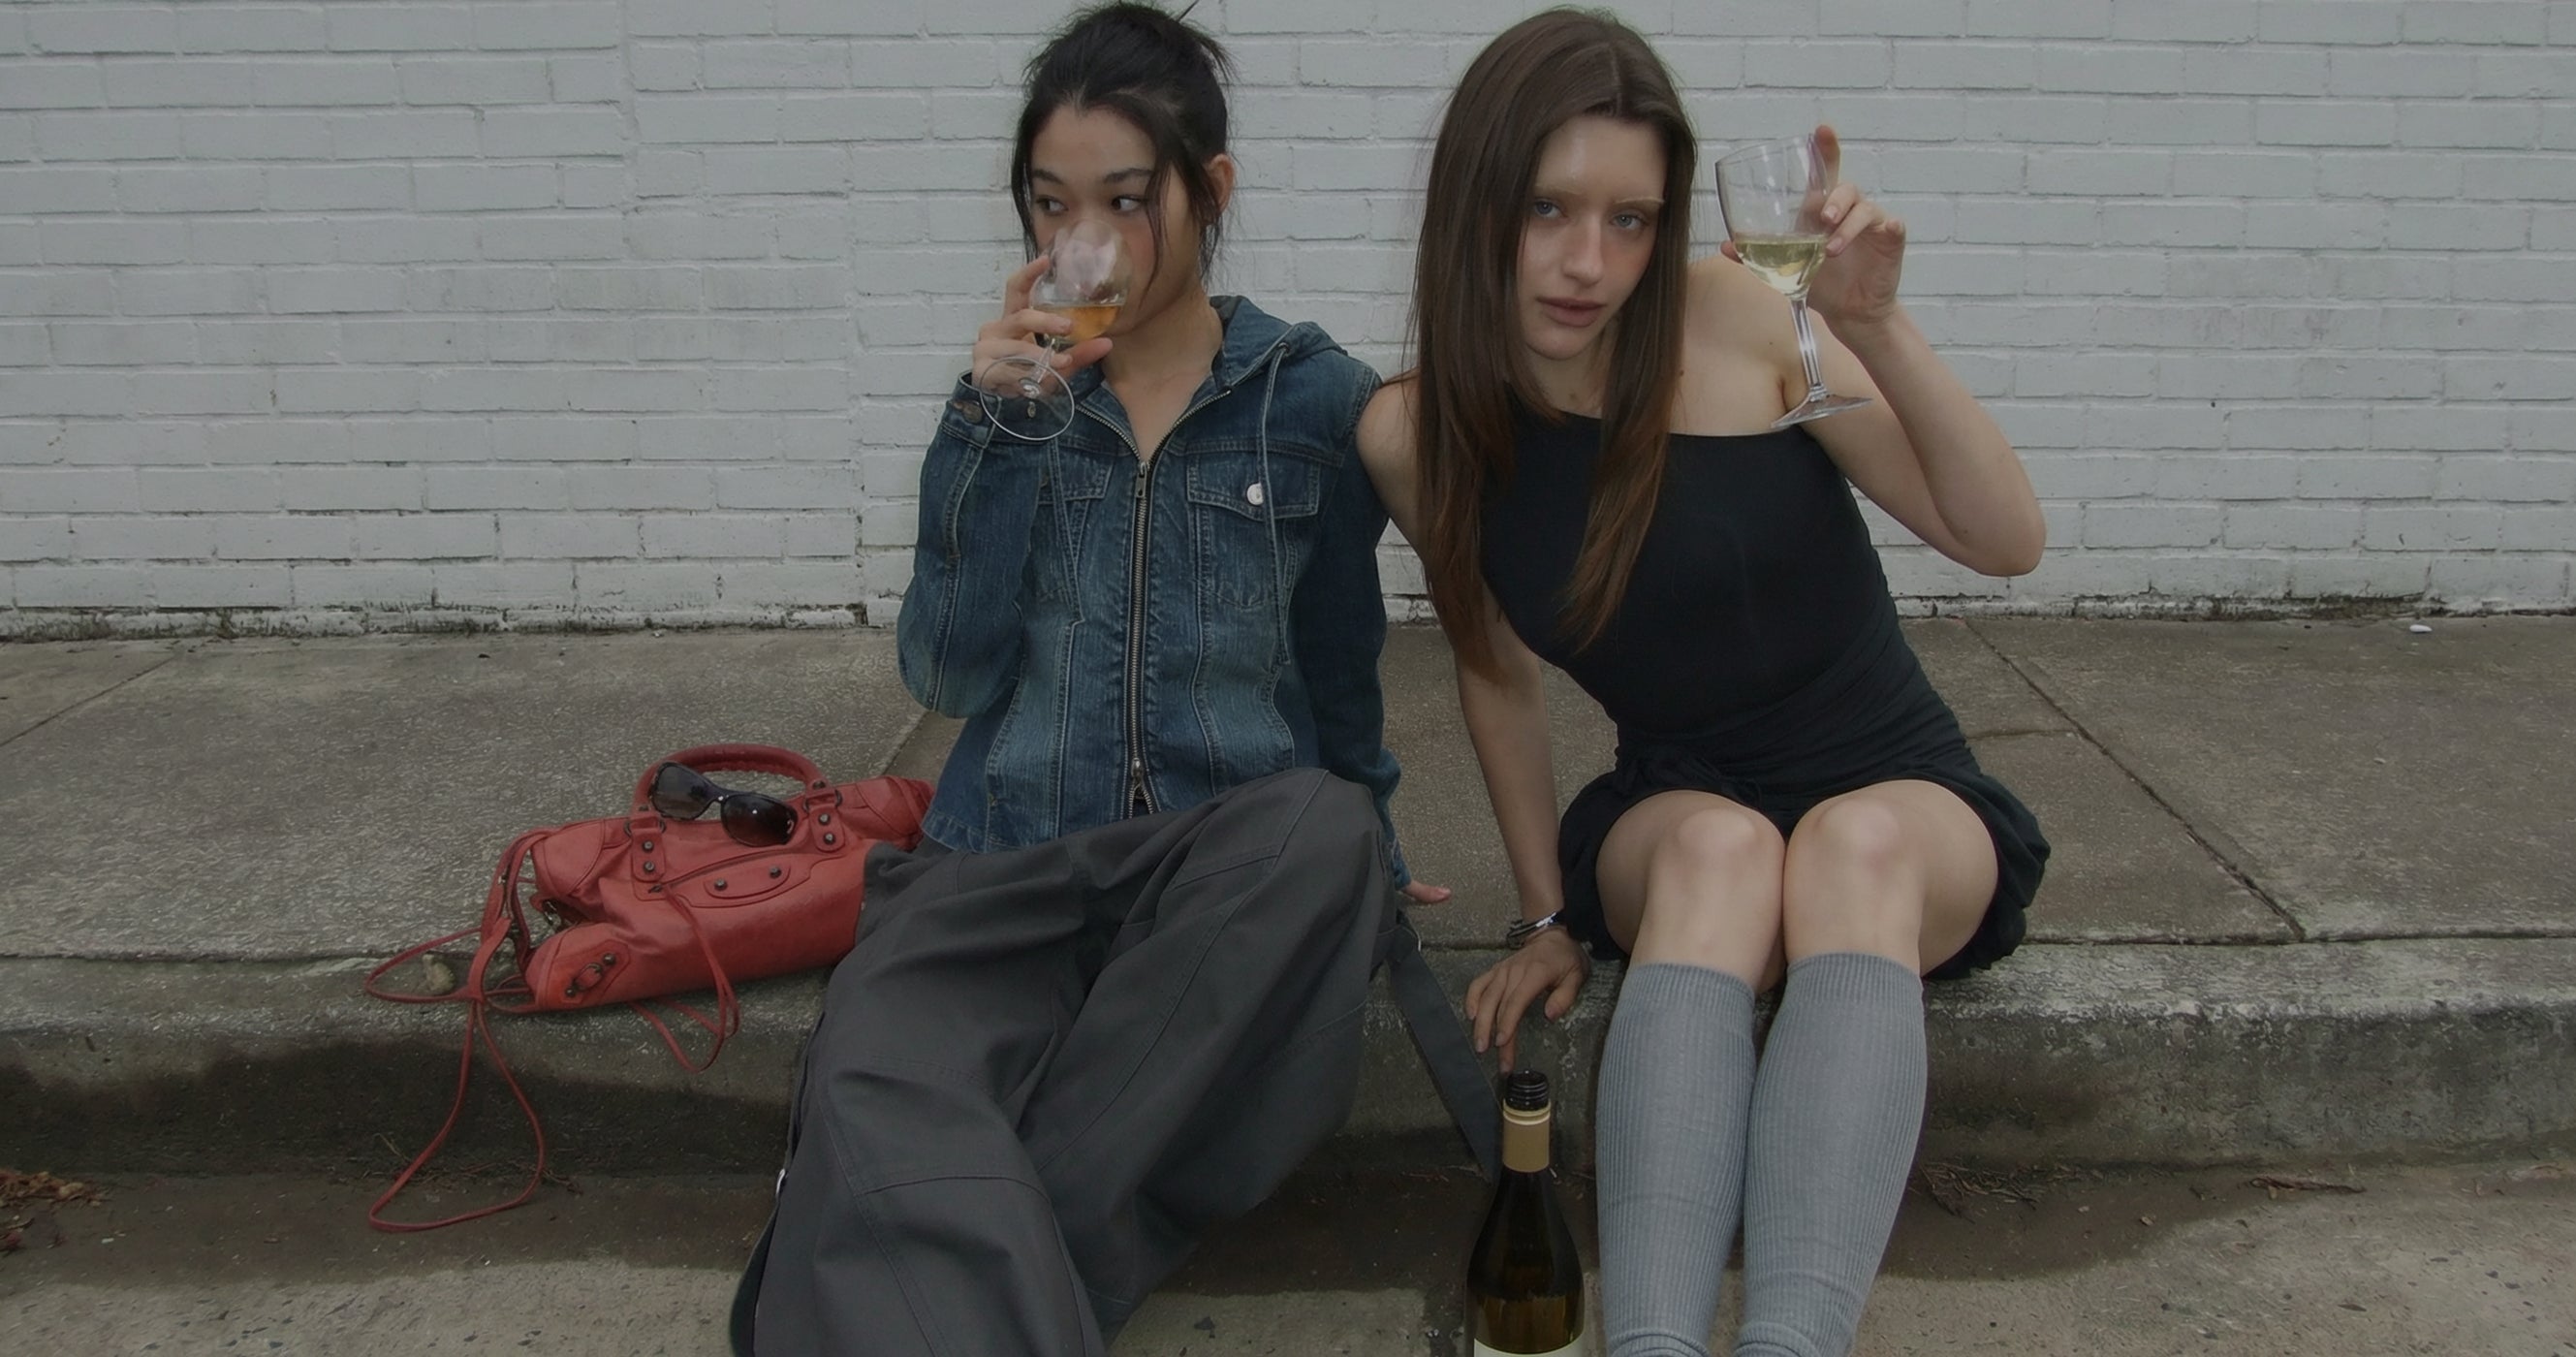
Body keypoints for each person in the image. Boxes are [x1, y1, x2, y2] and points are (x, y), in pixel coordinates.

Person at [733, 6, 1455, 1353]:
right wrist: (991, 434)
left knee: (1324, 831)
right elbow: (945, 670)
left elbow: (1339, 662)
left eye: (1127, 201)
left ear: (1209, 191)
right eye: (1053, 204)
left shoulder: (1306, 399)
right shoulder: (1007, 407)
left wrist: (1371, 849)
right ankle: (999, 1274)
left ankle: (936, 1261)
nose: (1090, 244)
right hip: (1001, 870)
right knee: (873, 1053)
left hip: (1203, 878)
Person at [1359, 11, 2052, 1357]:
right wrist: (1544, 917)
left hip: (1901, 797)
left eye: (1630, 220)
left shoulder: (1744, 318)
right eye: (1549, 208)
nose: (1589, 262)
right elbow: (1495, 675)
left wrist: (1875, 326)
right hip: (1685, 804)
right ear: (1472, 202)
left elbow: (2003, 537)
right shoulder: (1416, 433)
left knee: (1848, 843)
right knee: (1725, 850)